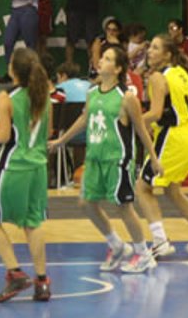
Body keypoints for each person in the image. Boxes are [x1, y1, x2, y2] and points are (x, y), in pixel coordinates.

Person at [50, 45, 158, 276]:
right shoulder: (92, 93)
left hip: (117, 159)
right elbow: (84, 119)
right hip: (95, 157)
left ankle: (144, 253)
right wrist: (61, 141)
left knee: (123, 207)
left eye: (108, 59)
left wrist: (154, 159)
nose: (101, 61)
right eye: (102, 57)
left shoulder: (127, 98)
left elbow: (141, 130)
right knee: (86, 204)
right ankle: (117, 245)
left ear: (118, 68)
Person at [134, 34, 188, 258]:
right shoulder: (181, 72)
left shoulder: (157, 77)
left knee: (143, 188)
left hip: (175, 136)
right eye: (150, 47)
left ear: (167, 55)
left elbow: (154, 114)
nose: (150, 51)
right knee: (172, 190)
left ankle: (160, 242)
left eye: (155, 48)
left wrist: (129, 121)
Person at [0, 47, 54, 302]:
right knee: (32, 224)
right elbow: (49, 132)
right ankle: (42, 281)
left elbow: (2, 136)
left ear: (14, 70)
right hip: (38, 167)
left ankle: (15, 273)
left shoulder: (7, 97)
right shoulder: (45, 96)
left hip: (14, 166)